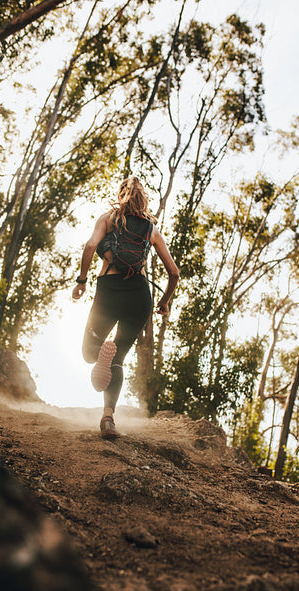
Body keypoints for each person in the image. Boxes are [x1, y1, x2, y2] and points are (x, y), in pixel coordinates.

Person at [72, 176, 179, 439]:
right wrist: (163, 302)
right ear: (144, 200)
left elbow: (90, 246)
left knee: (89, 352)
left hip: (109, 291)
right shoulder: (151, 230)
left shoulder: (108, 218)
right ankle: (108, 419)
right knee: (118, 359)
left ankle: (100, 355)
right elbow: (174, 273)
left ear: (121, 194)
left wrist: (82, 280)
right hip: (140, 296)